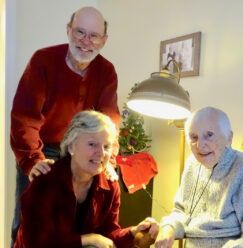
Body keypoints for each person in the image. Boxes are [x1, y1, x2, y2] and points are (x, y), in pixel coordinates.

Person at [10, 6, 120, 243]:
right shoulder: (43, 60)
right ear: (68, 30)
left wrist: (108, 160)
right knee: (27, 225)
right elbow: (24, 116)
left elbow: (110, 119)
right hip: (43, 147)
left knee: (76, 223)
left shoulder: (107, 71)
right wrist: (32, 161)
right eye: (80, 32)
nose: (86, 41)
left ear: (103, 40)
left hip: (84, 148)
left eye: (94, 36)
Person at [13, 110, 158, 248]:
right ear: (71, 147)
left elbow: (108, 235)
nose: (101, 153)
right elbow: (36, 243)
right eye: (92, 144)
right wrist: (87, 239)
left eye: (106, 146)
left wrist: (133, 232)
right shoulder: (45, 182)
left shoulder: (110, 186)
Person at [155, 107, 243, 248]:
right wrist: (168, 228)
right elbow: (181, 211)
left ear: (229, 138)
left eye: (209, 135)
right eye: (193, 137)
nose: (200, 145)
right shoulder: (192, 164)